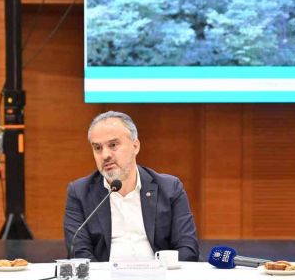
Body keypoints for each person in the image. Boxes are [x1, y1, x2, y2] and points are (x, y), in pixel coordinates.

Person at [64, 111, 200, 262]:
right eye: (97, 148)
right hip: (105, 276)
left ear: (135, 146)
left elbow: (187, 248)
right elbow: (79, 252)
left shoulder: (169, 188)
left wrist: (160, 272)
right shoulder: (79, 193)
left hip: (160, 274)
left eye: (113, 145)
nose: (105, 155)